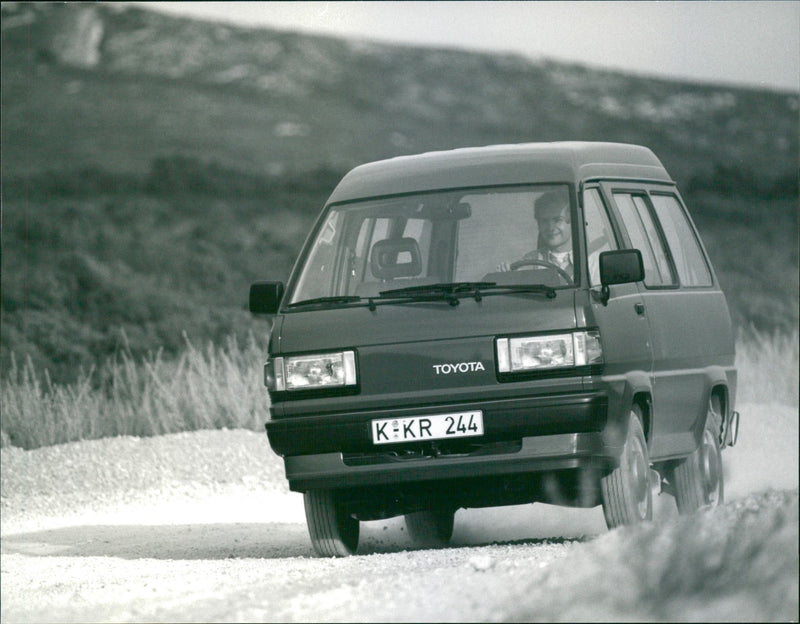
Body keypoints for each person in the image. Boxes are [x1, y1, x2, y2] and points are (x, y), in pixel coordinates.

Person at [497, 190, 574, 276]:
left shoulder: (589, 260)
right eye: (544, 221)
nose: (550, 227)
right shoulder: (528, 263)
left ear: (572, 221)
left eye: (557, 220)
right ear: (538, 225)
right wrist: (507, 277)